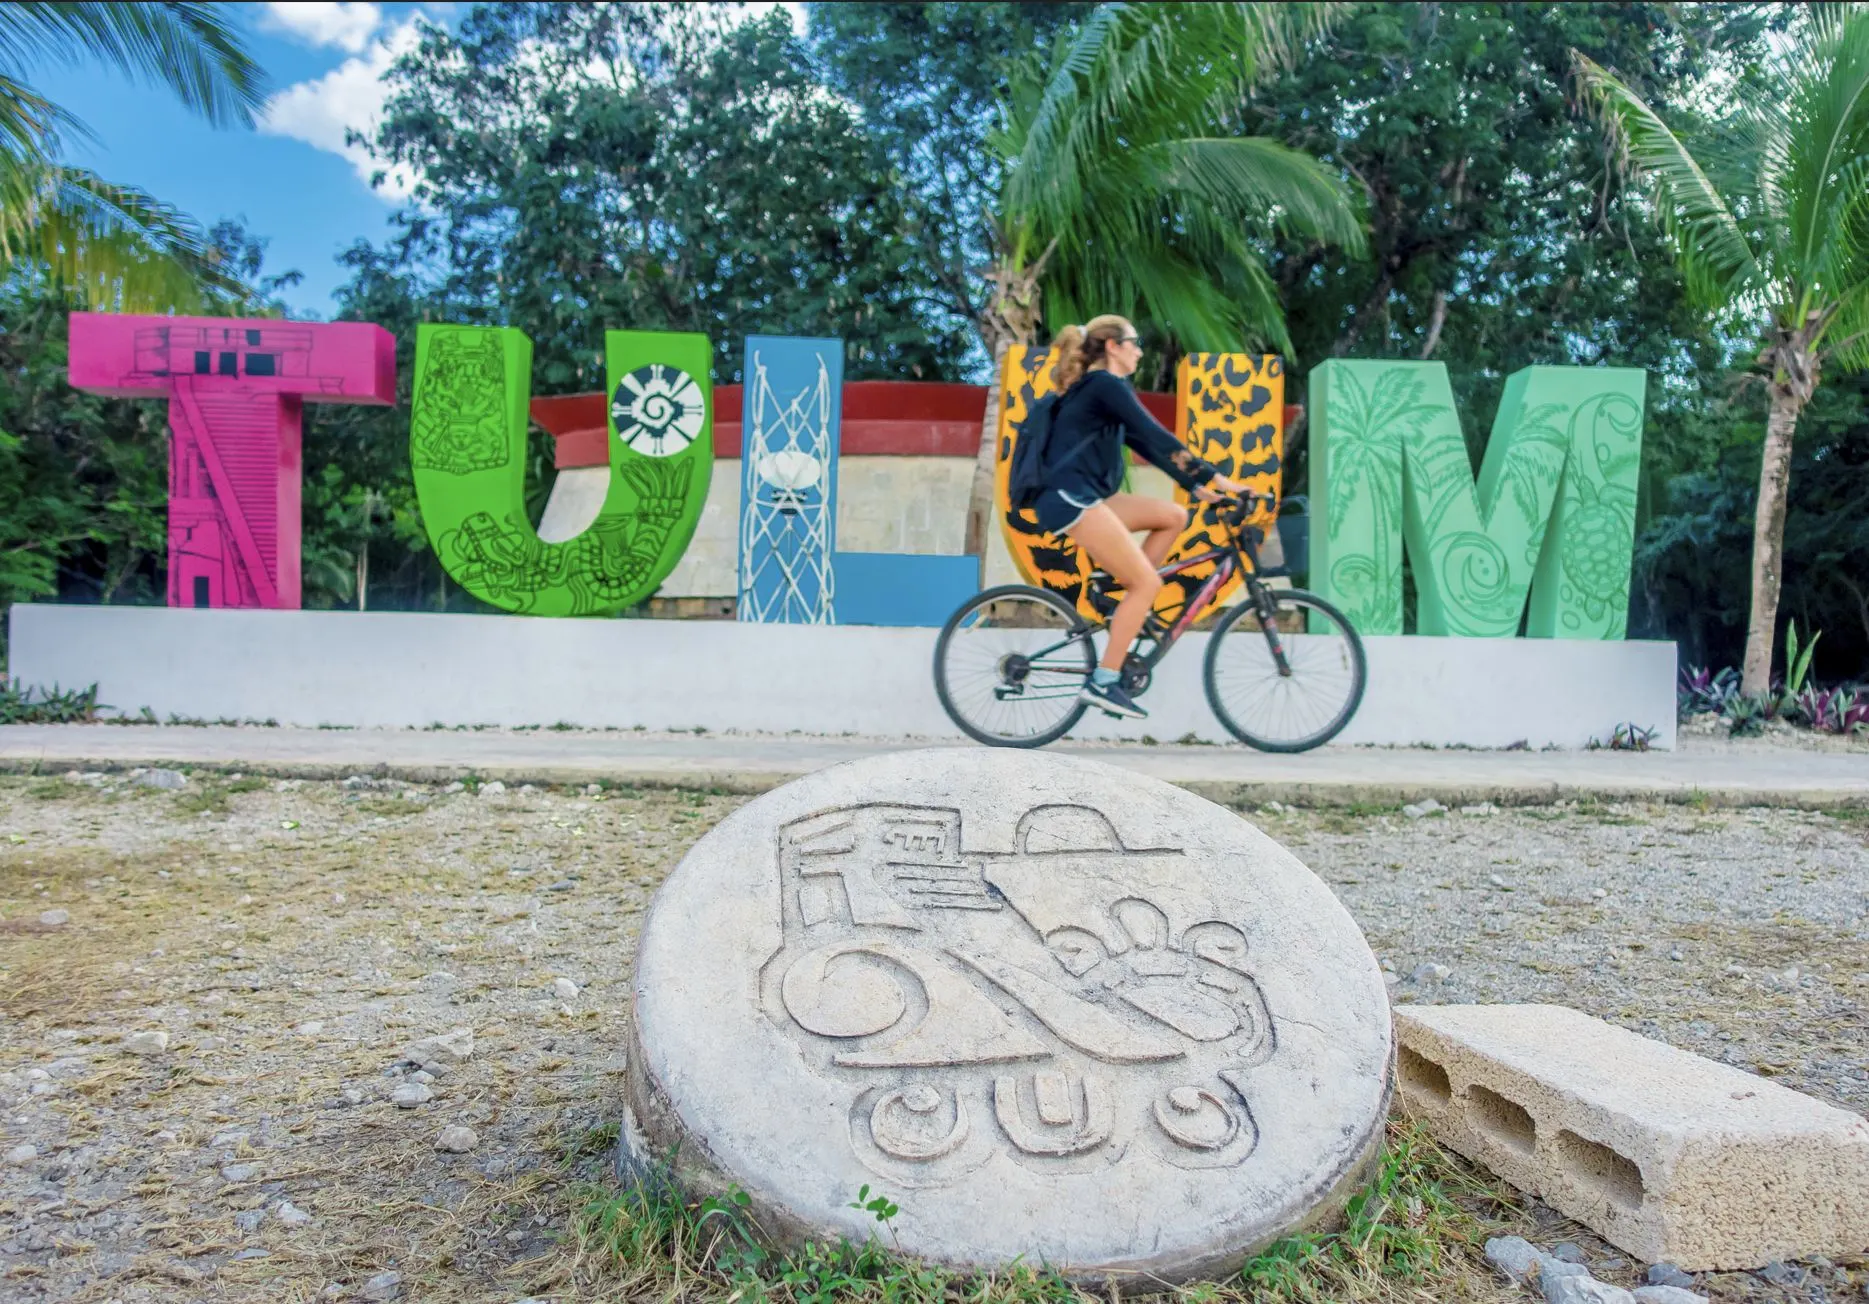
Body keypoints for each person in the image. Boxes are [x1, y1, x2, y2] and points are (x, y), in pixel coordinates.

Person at [1032, 314, 1247, 720]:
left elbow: (1146, 444)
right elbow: (1155, 434)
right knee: (1147, 584)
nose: (1140, 350)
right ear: (1113, 346)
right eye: (1134, 342)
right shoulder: (1104, 385)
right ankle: (1104, 681)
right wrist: (1220, 480)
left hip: (1085, 496)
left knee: (1173, 515)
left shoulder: (1102, 390)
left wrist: (1199, 489)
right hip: (1071, 500)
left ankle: (1123, 602)